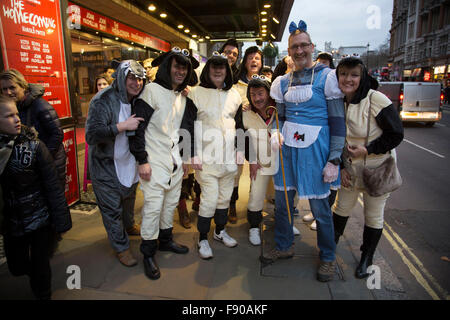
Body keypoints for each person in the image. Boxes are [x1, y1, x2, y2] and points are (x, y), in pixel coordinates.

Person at [262, 20, 346, 283]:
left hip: (317, 148)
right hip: (287, 149)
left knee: (320, 208)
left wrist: (334, 158)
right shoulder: (282, 82)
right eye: (294, 47)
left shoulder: (327, 77)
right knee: (283, 202)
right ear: (289, 51)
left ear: (311, 47)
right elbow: (281, 116)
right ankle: (285, 245)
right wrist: (276, 131)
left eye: (303, 46)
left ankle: (328, 257)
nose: (299, 51)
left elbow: (337, 122)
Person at [129, 47, 198, 280]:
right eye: (177, 65)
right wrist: (142, 160)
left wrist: (186, 157)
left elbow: (187, 126)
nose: (181, 71)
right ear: (168, 66)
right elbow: (137, 127)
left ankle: (166, 241)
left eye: (185, 67)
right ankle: (148, 252)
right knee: (152, 208)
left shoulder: (182, 95)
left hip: (175, 161)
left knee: (169, 205)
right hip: (153, 161)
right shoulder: (151, 91)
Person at [332, 56, 403, 279]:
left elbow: (396, 134)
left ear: (362, 76)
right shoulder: (337, 100)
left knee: (373, 216)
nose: (348, 79)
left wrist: (368, 149)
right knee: (341, 208)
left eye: (354, 74)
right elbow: (335, 137)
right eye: (343, 74)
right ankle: (329, 250)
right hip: (351, 169)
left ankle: (366, 258)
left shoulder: (377, 100)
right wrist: (342, 165)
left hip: (377, 170)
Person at [0, 95, 72, 299]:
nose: (16, 119)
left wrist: (60, 219)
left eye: (16, 114)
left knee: (41, 266)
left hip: (40, 217)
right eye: (9, 116)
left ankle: (43, 292)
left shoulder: (34, 145)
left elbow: (52, 186)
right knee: (16, 266)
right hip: (12, 220)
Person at [85, 60, 145, 267]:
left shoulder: (138, 98)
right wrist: (120, 126)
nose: (136, 83)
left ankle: (128, 226)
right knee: (112, 209)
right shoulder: (102, 100)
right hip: (106, 165)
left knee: (128, 199)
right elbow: (91, 135)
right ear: (121, 77)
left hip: (129, 161)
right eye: (131, 78)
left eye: (140, 79)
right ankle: (121, 247)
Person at [188, 51, 242, 259]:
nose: (218, 70)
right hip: (206, 159)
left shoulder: (235, 94)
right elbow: (187, 125)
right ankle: (202, 238)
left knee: (224, 199)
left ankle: (219, 232)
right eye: (214, 66)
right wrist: (191, 153)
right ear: (208, 70)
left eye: (222, 67)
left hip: (228, 160)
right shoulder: (195, 93)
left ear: (227, 71)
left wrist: (241, 150)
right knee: (209, 200)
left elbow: (240, 126)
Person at [0, 69, 66, 190]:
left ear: (23, 87)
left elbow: (57, 134)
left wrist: (43, 158)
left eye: (12, 87)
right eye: (4, 89)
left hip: (51, 163)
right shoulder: (15, 106)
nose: (8, 92)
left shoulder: (40, 105)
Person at [234, 75, 277, 245]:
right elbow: (243, 138)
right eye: (253, 95)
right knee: (256, 195)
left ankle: (283, 222)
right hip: (259, 162)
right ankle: (253, 226)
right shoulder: (246, 114)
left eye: (261, 93)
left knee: (282, 195)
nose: (257, 98)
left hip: (280, 162)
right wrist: (251, 160)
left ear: (269, 93)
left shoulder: (279, 110)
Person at [230, 46, 264, 224]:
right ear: (245, 61)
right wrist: (239, 107)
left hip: (258, 135)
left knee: (256, 170)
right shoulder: (236, 83)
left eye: (257, 58)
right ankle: (232, 204)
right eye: (250, 58)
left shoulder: (267, 81)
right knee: (236, 170)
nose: (253, 61)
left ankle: (254, 203)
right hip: (239, 132)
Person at [304, 52, 337, 231]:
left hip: (330, 140)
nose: (322, 66)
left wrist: (336, 155)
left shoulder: (332, 83)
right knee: (317, 180)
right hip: (316, 140)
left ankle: (323, 216)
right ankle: (317, 213)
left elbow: (337, 120)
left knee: (329, 182)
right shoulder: (314, 82)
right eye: (320, 63)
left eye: (325, 63)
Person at [83, 74, 114, 192]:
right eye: (99, 84)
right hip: (98, 146)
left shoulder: (115, 100)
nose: (101, 87)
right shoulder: (95, 100)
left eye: (104, 84)